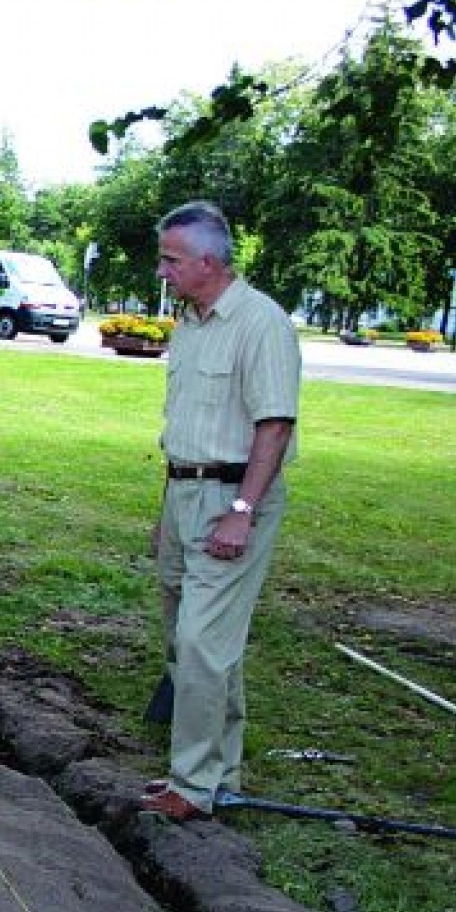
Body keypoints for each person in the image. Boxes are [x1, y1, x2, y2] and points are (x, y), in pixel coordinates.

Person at [139, 201, 301, 821]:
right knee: (195, 643)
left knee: (202, 640)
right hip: (185, 494)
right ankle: (218, 768)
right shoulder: (191, 325)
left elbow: (276, 425)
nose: (162, 271)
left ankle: (193, 783)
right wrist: (166, 509)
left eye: (171, 259)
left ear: (209, 262)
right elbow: (185, 429)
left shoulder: (261, 324)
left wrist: (241, 510)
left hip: (234, 496)